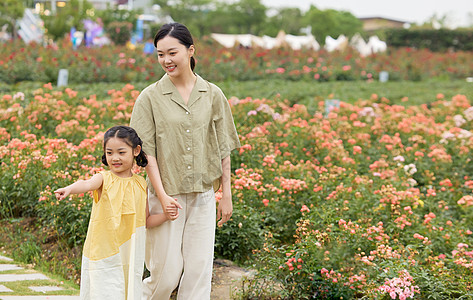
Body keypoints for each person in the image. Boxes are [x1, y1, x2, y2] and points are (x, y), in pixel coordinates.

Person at [130, 22, 241, 300]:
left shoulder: (213, 94)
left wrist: (226, 193)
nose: (166, 60)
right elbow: (147, 154)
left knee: (198, 275)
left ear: (190, 50)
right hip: (167, 196)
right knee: (165, 275)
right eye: (159, 54)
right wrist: (163, 195)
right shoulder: (150, 97)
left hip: (203, 196)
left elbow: (223, 146)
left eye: (172, 52)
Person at [54, 125, 172, 299]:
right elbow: (86, 184)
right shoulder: (103, 178)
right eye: (109, 153)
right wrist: (69, 189)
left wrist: (166, 216)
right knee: (106, 292)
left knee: (126, 291)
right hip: (104, 251)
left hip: (130, 252)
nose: (115, 158)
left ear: (136, 151)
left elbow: (145, 220)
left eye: (121, 152)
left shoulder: (141, 184)